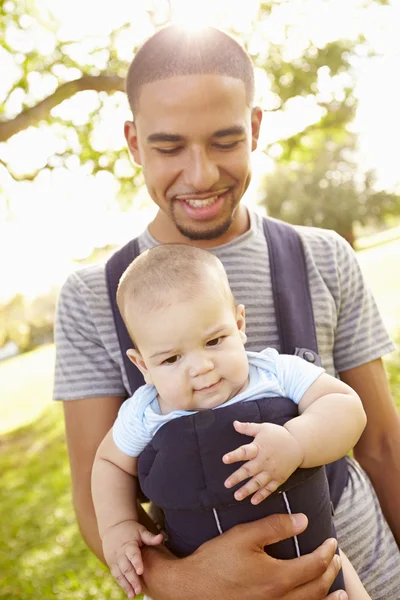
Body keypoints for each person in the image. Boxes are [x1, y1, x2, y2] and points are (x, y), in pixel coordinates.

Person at [54, 24, 400, 600]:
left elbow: (382, 444)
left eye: (224, 141)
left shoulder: (322, 256)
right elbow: (101, 485)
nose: (201, 174)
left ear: (255, 128)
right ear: (134, 142)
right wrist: (189, 583)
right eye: (168, 147)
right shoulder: (94, 295)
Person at [91, 243, 370, 599]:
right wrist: (117, 525)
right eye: (172, 358)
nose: (200, 367)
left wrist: (297, 441)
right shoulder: (145, 412)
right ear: (143, 365)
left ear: (239, 325)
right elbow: (109, 462)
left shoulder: (274, 373)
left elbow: (346, 405)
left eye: (214, 340)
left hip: (315, 562)